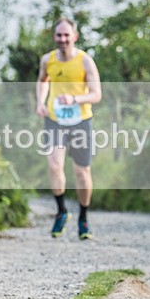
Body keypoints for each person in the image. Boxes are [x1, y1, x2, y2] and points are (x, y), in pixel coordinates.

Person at [35, 17, 102, 240]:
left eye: (66, 35)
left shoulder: (85, 61)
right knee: (54, 165)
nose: (62, 39)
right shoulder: (48, 60)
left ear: (75, 36)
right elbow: (42, 81)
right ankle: (62, 211)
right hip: (55, 119)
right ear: (54, 36)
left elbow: (96, 94)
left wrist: (75, 99)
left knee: (82, 172)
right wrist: (40, 102)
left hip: (80, 120)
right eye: (59, 35)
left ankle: (83, 217)